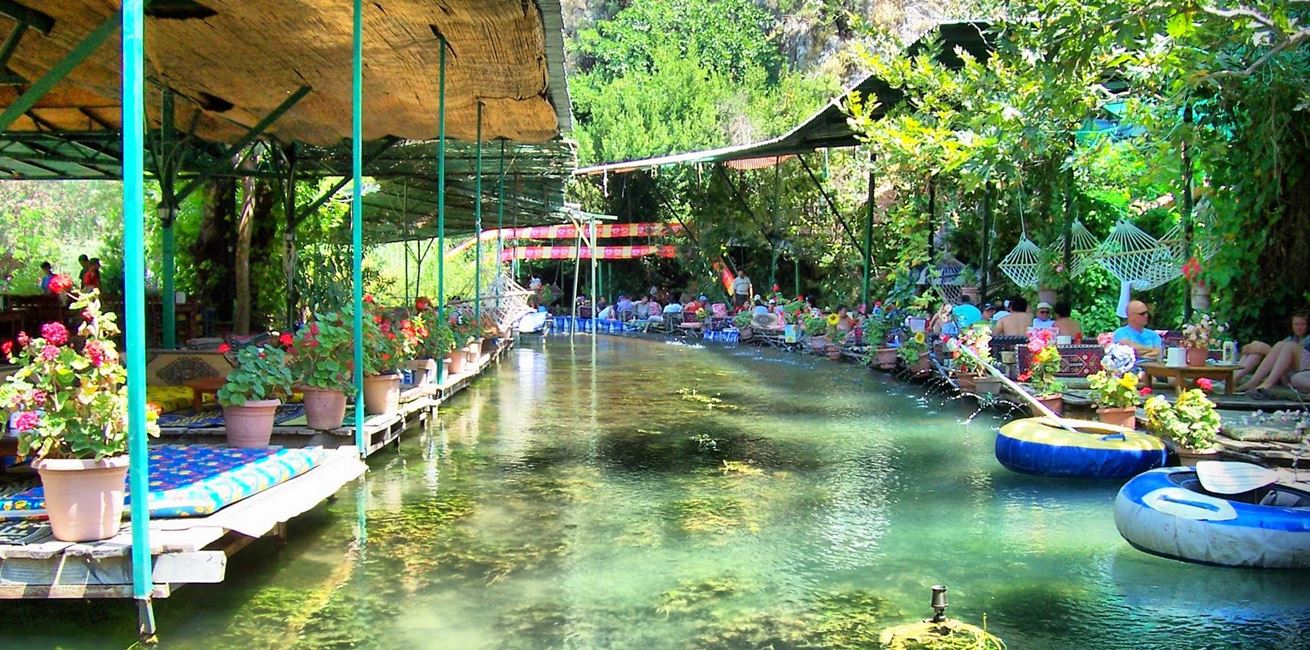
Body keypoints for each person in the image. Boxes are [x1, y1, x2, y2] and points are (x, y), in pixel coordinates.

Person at [1235, 311, 1310, 397]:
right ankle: (1246, 381)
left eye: (1302, 324)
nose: (1299, 328)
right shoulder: (1291, 339)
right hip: (1288, 375)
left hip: (1301, 374)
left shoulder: (1307, 340)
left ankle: (1265, 384)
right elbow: (1279, 354)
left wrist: (1262, 349)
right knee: (1276, 345)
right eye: (1296, 324)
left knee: (1283, 346)